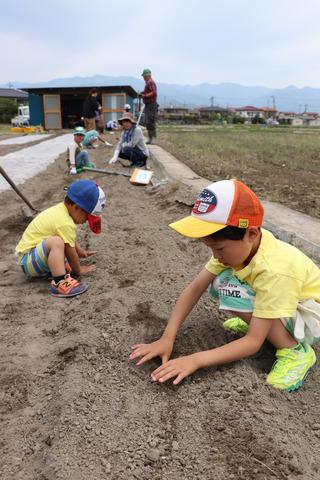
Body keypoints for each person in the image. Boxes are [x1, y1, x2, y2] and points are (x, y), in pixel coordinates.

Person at [130, 179, 320, 392]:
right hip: (287, 304)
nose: (216, 256)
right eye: (211, 248)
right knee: (221, 280)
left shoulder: (274, 269)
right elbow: (195, 288)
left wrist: (194, 360)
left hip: (309, 317)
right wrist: (167, 337)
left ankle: (293, 350)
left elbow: (252, 343)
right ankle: (265, 325)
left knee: (232, 288)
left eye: (219, 248)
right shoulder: (237, 250)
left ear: (252, 234)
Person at [15, 179, 106, 298]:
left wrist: (80, 252)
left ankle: (56, 270)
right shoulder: (65, 222)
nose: (85, 222)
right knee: (56, 242)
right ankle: (59, 282)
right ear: (76, 207)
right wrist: (78, 270)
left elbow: (70, 239)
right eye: (87, 217)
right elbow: (70, 251)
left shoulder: (62, 210)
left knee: (59, 240)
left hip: (35, 258)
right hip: (28, 260)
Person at [140, 68, 158, 144]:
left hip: (151, 104)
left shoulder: (150, 82)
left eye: (144, 76)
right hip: (148, 104)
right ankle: (150, 138)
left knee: (150, 121)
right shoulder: (148, 83)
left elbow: (153, 92)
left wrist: (145, 95)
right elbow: (148, 91)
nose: (143, 78)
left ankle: (153, 138)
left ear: (147, 75)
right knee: (148, 121)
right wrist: (142, 93)